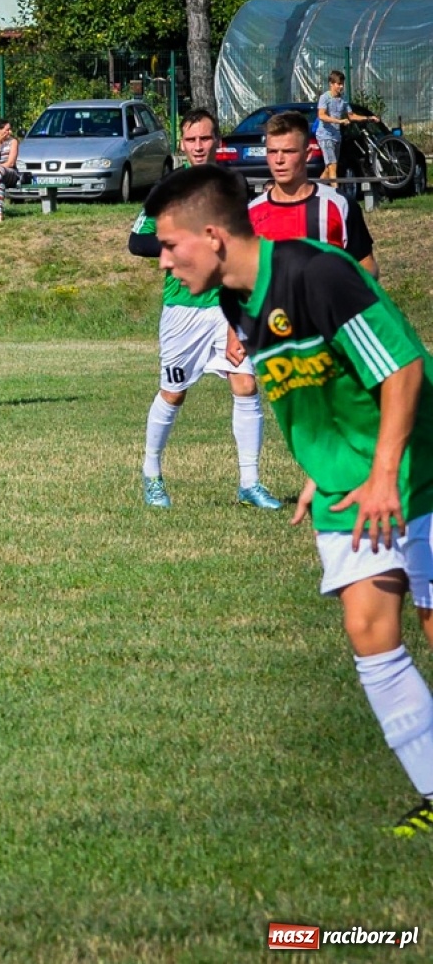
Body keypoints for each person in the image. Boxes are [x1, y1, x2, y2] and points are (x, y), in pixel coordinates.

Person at [148, 164, 433, 838]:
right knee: (369, 631)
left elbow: (402, 366)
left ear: (213, 237)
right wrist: (320, 463)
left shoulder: (317, 274)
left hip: (416, 467)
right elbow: (308, 384)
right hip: (346, 482)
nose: (162, 261)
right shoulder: (236, 301)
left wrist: (382, 471)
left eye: (169, 245)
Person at [128, 109, 279, 510]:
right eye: (192, 140)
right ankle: (152, 473)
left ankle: (250, 482)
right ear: (182, 143)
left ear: (217, 141)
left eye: (206, 138)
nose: (199, 146)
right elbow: (137, 241)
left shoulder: (234, 186)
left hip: (228, 304)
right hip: (184, 309)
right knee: (173, 393)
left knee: (245, 384)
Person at [250, 110, 375, 276]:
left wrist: (342, 288)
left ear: (307, 154)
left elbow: (367, 265)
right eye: (272, 152)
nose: (279, 160)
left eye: (289, 151)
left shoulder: (339, 205)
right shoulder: (251, 213)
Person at [315, 69, 380, 182]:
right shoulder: (324, 97)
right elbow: (321, 115)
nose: (341, 87)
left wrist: (369, 118)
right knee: (333, 167)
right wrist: (339, 121)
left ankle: (318, 188)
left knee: (328, 169)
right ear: (331, 84)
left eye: (342, 84)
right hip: (325, 136)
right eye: (338, 84)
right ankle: (335, 191)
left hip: (336, 136)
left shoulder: (343, 99)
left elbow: (352, 116)